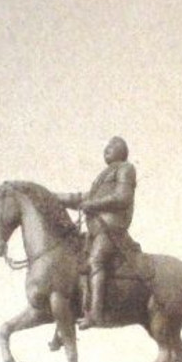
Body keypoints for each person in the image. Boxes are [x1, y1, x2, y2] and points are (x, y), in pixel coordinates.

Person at [55, 136, 138, 329]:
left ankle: (95, 315)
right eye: (106, 146)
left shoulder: (126, 169)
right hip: (96, 231)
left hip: (110, 229)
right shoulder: (103, 176)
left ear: (122, 151)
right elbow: (82, 197)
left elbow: (122, 197)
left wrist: (92, 204)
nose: (107, 148)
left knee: (95, 261)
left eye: (112, 146)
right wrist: (53, 197)